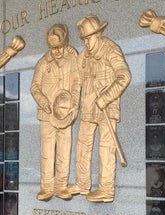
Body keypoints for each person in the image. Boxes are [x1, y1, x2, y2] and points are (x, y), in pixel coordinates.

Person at [65, 16, 132, 202]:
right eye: (83, 39)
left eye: (88, 37)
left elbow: (124, 76)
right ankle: (82, 183)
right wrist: (73, 102)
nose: (86, 42)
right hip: (88, 107)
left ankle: (106, 189)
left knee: (105, 148)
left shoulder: (111, 50)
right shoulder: (84, 55)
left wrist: (107, 97)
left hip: (106, 108)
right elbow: (77, 81)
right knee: (82, 146)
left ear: (98, 34)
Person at [29, 23, 81, 201]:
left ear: (65, 42)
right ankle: (46, 188)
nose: (56, 51)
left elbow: (77, 82)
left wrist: (74, 102)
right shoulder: (43, 62)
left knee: (64, 151)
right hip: (46, 115)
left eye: (59, 47)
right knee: (47, 152)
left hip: (65, 115)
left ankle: (61, 186)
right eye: (52, 48)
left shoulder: (73, 58)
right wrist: (43, 101)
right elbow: (34, 87)